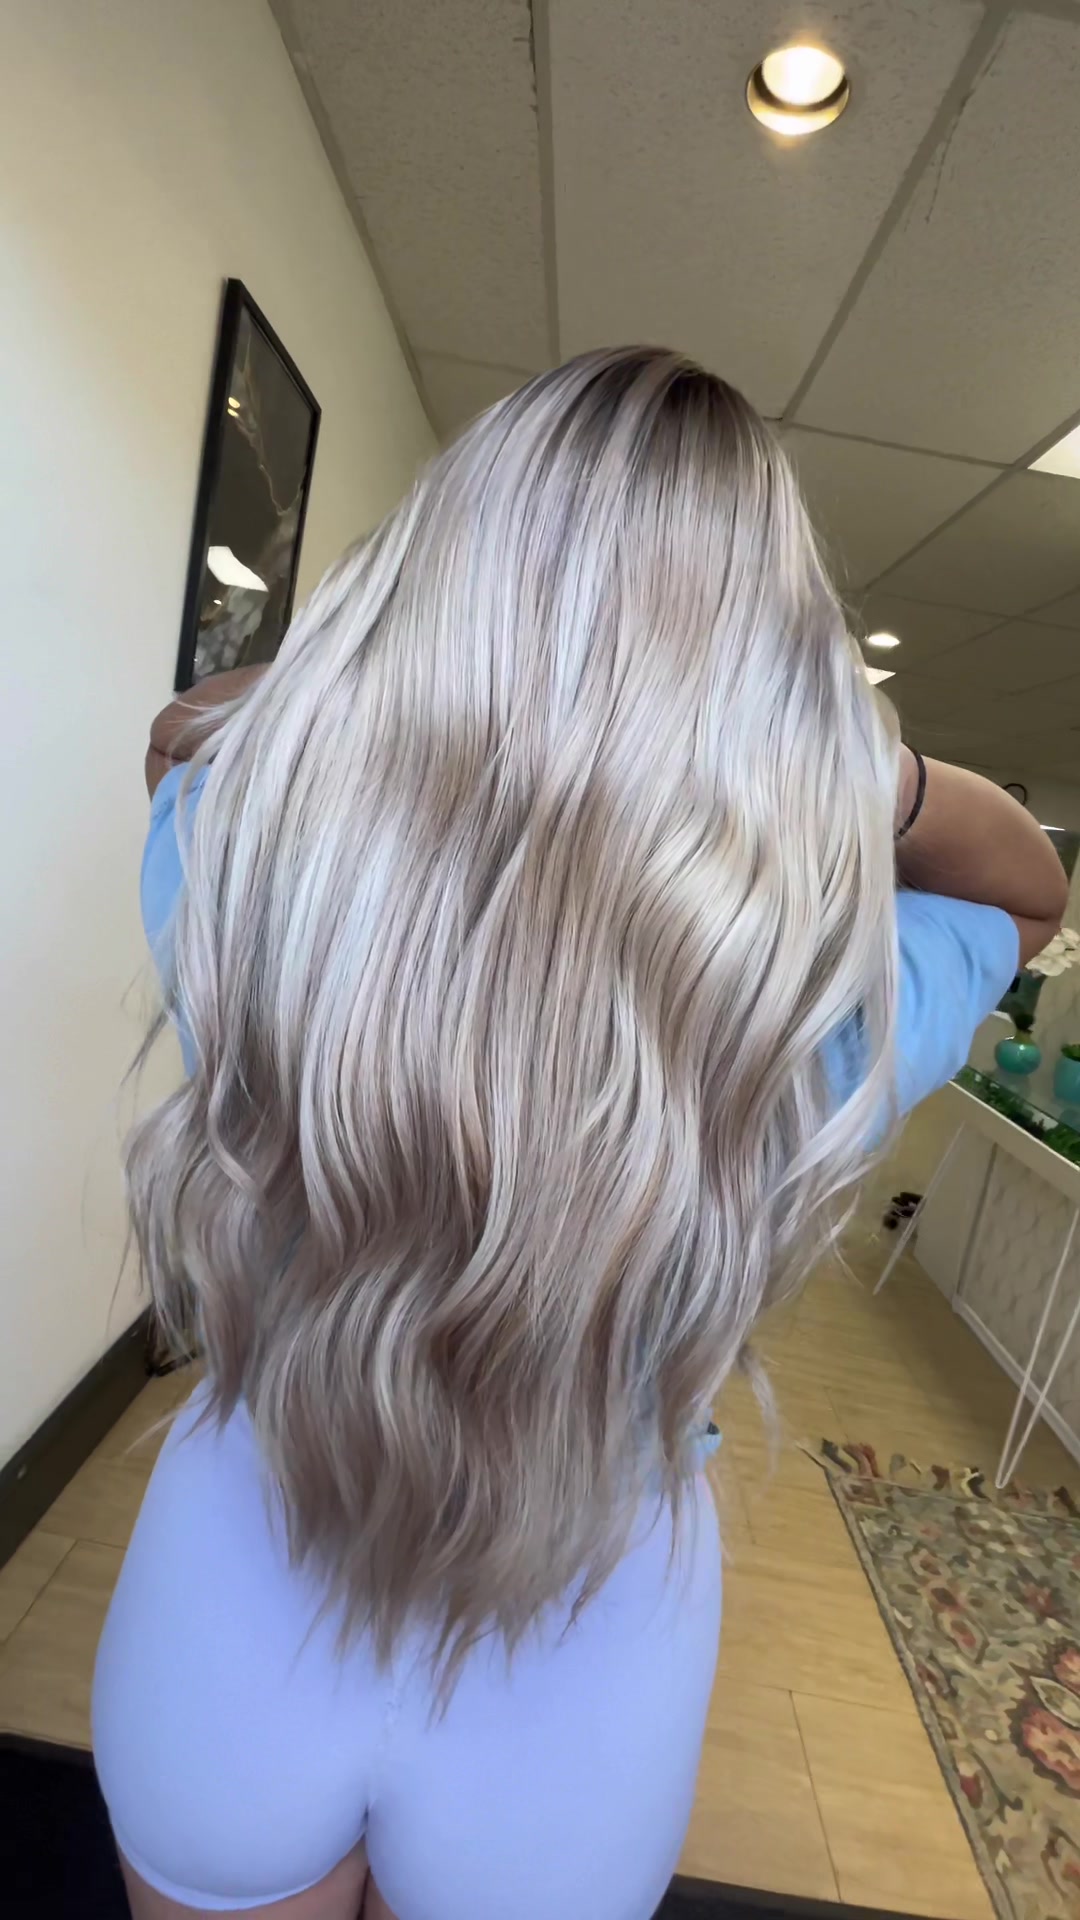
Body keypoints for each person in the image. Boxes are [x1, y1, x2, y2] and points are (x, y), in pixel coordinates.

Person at [92, 349, 1066, 1920]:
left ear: (437, 593)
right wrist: (862, 773)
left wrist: (404, 681)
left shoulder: (250, 878)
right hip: (584, 1663)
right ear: (774, 688)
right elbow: (1026, 894)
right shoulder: (814, 1012)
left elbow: (179, 734)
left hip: (237, 1592)